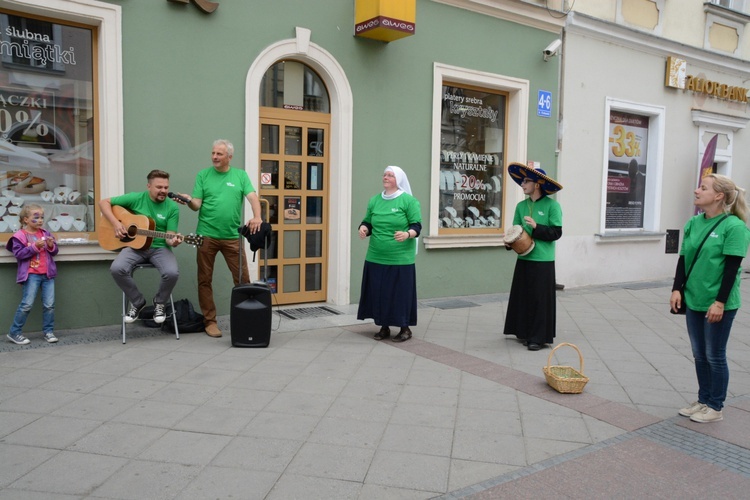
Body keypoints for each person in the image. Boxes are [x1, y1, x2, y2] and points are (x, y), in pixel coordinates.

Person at [670, 173, 750, 423]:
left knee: (715, 355)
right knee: (699, 354)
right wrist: (676, 288)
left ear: (719, 196)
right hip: (693, 298)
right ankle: (703, 399)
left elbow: (732, 269)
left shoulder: (735, 227)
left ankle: (715, 406)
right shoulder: (693, 223)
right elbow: (683, 259)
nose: (696, 191)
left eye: (702, 188)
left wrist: (720, 302)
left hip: (718, 303)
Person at [175, 139, 262, 338]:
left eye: (219, 154)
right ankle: (210, 322)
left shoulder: (240, 175)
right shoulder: (203, 175)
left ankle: (245, 318)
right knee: (204, 280)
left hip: (232, 236)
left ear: (229, 157)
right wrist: (188, 200)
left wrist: (257, 216)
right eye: (213, 153)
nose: (214, 157)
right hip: (206, 235)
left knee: (243, 280)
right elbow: (196, 204)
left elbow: (252, 197)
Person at [100, 169, 183, 325]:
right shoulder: (135, 198)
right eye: (159, 187)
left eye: (166, 187)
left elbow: (170, 237)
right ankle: (137, 302)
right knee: (117, 268)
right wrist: (116, 223)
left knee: (171, 273)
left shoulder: (172, 208)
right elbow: (103, 202)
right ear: (149, 186)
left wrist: (174, 241)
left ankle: (160, 303)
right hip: (134, 247)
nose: (163, 191)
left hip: (160, 247)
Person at [357, 165, 422, 342]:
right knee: (379, 292)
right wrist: (364, 228)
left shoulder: (408, 201)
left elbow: (416, 226)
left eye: (390, 175)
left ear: (398, 180)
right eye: (385, 174)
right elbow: (368, 222)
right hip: (375, 256)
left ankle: (405, 328)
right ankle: (383, 326)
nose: (386, 177)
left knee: (400, 294)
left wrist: (407, 234)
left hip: (400, 258)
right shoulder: (374, 200)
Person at [503, 163, 563, 351]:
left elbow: (556, 233)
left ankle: (538, 337)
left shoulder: (553, 206)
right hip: (524, 259)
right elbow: (515, 230)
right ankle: (523, 331)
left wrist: (537, 227)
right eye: (522, 181)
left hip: (543, 260)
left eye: (526, 181)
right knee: (523, 297)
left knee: (539, 300)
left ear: (537, 184)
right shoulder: (521, 206)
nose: (522, 184)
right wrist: (508, 242)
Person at [6, 204, 59, 345]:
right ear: (25, 220)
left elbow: (54, 252)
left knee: (49, 305)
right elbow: (18, 254)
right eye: (36, 217)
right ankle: (14, 332)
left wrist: (50, 245)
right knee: (26, 305)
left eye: (42, 217)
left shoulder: (45, 233)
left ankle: (48, 331)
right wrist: (35, 247)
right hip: (31, 275)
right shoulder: (20, 236)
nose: (40, 220)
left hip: (47, 275)